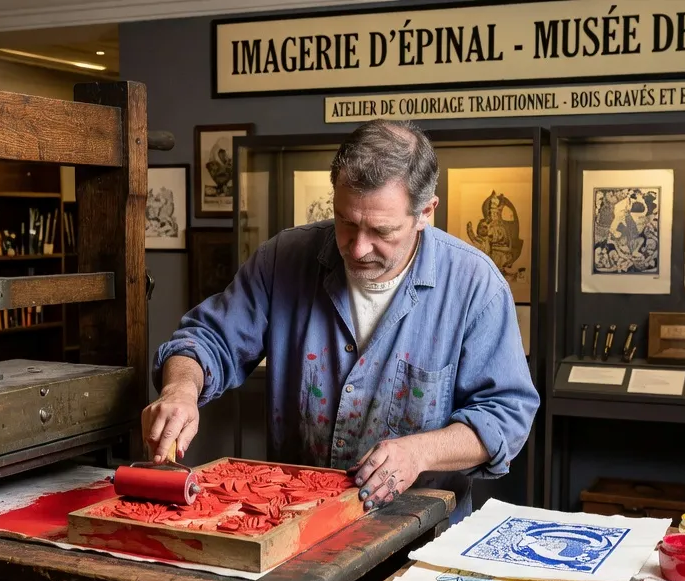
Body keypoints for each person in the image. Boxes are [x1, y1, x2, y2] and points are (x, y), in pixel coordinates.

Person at [144, 119, 539, 521]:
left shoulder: (475, 286)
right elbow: (207, 339)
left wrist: (421, 452)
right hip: (295, 521)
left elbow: (505, 416)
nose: (359, 248)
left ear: (425, 212)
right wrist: (180, 389)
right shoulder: (282, 259)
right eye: (346, 222)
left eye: (381, 231)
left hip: (419, 530)